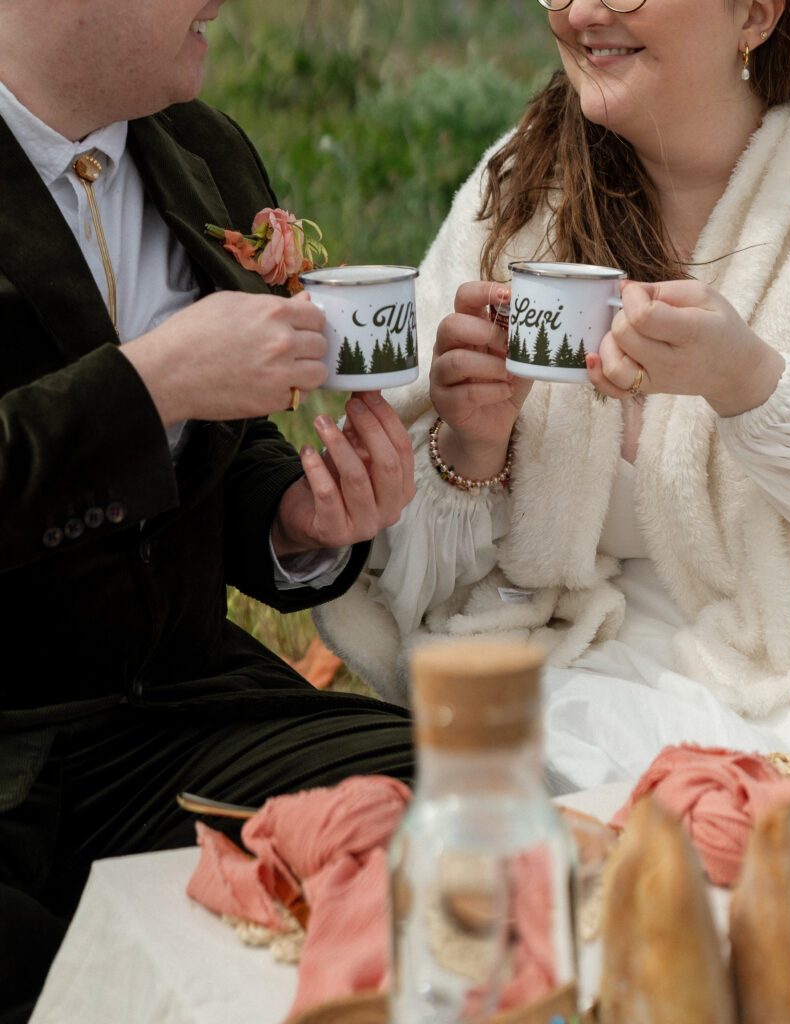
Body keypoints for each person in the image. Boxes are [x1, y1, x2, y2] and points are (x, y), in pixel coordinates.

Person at [315, 0, 790, 794]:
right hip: (604, 678)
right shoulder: (525, 187)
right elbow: (420, 576)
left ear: (753, 14)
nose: (583, 12)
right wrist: (471, 446)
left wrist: (753, 387)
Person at [0, 1, 417, 1019]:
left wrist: (298, 523)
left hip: (184, 708)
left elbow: (223, 454)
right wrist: (147, 383)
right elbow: (158, 400)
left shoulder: (205, 151)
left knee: (466, 809)